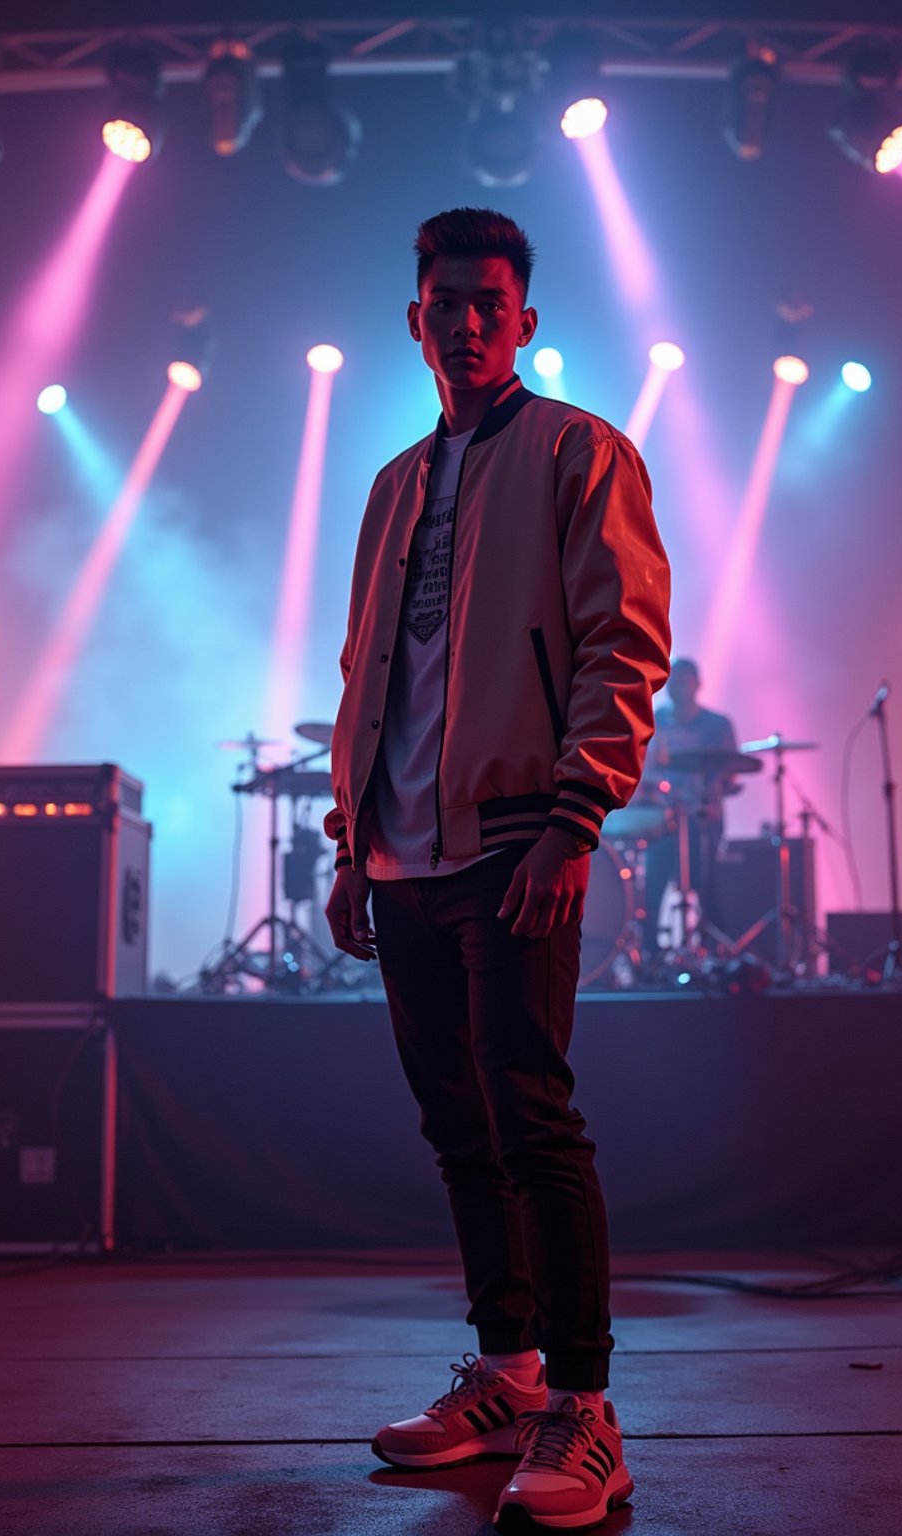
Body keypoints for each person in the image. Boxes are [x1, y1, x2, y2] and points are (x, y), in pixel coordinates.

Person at [324, 207, 670, 1533]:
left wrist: (577, 820)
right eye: (442, 302)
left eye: (488, 301)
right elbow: (370, 677)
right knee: (461, 1127)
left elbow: (621, 646)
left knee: (532, 1112)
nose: (464, 320)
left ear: (524, 320)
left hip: (520, 833)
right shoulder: (393, 487)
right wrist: (354, 842)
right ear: (413, 320)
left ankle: (585, 1409)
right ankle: (511, 1372)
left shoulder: (583, 455)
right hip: (403, 854)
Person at [636, 656, 738, 948]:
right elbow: (644, 771)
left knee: (706, 888)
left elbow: (731, 773)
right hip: (662, 820)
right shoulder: (653, 721)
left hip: (703, 820)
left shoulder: (717, 725)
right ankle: (650, 959)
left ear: (697, 684)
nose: (675, 687)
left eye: (682, 681)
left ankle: (716, 954)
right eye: (671, 681)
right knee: (653, 888)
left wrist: (715, 791)